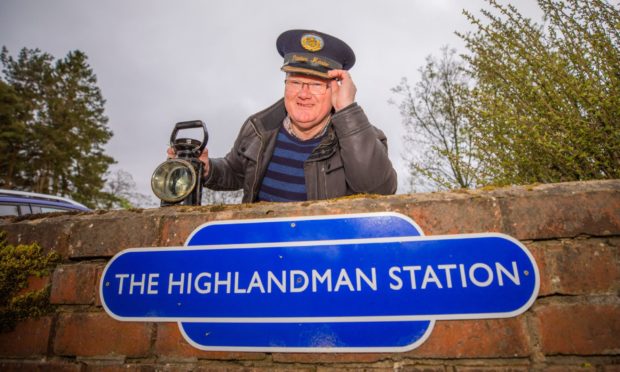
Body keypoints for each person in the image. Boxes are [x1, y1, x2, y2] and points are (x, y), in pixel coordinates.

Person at [169, 29, 397, 203]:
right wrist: (208, 169)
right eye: (296, 82)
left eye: (316, 85)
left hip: (328, 258)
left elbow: (379, 190)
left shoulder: (358, 136)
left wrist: (348, 110)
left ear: (336, 90)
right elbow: (236, 171)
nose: (304, 94)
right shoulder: (258, 129)